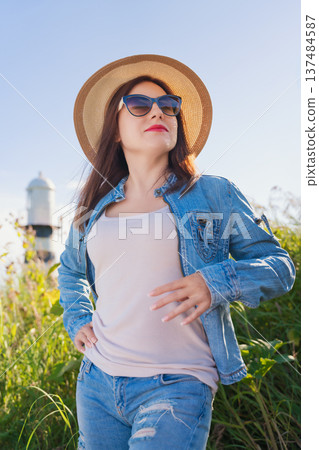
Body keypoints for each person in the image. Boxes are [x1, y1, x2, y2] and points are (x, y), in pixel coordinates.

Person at [57, 54, 296, 449]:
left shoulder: (212, 193)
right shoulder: (94, 209)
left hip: (177, 386)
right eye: (139, 104)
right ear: (115, 130)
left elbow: (280, 266)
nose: (159, 112)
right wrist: (77, 317)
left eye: (168, 106)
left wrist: (216, 281)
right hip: (97, 382)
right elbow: (70, 271)